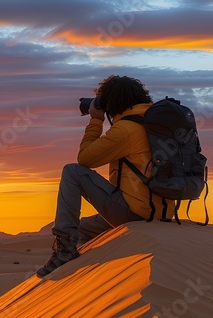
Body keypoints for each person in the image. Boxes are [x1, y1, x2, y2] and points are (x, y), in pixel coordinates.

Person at [36, 75, 175, 277]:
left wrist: (95, 119)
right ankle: (92, 270)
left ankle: (65, 251)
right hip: (162, 214)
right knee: (83, 229)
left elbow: (85, 159)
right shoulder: (155, 125)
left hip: (134, 214)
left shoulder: (126, 130)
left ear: (111, 103)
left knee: (72, 172)